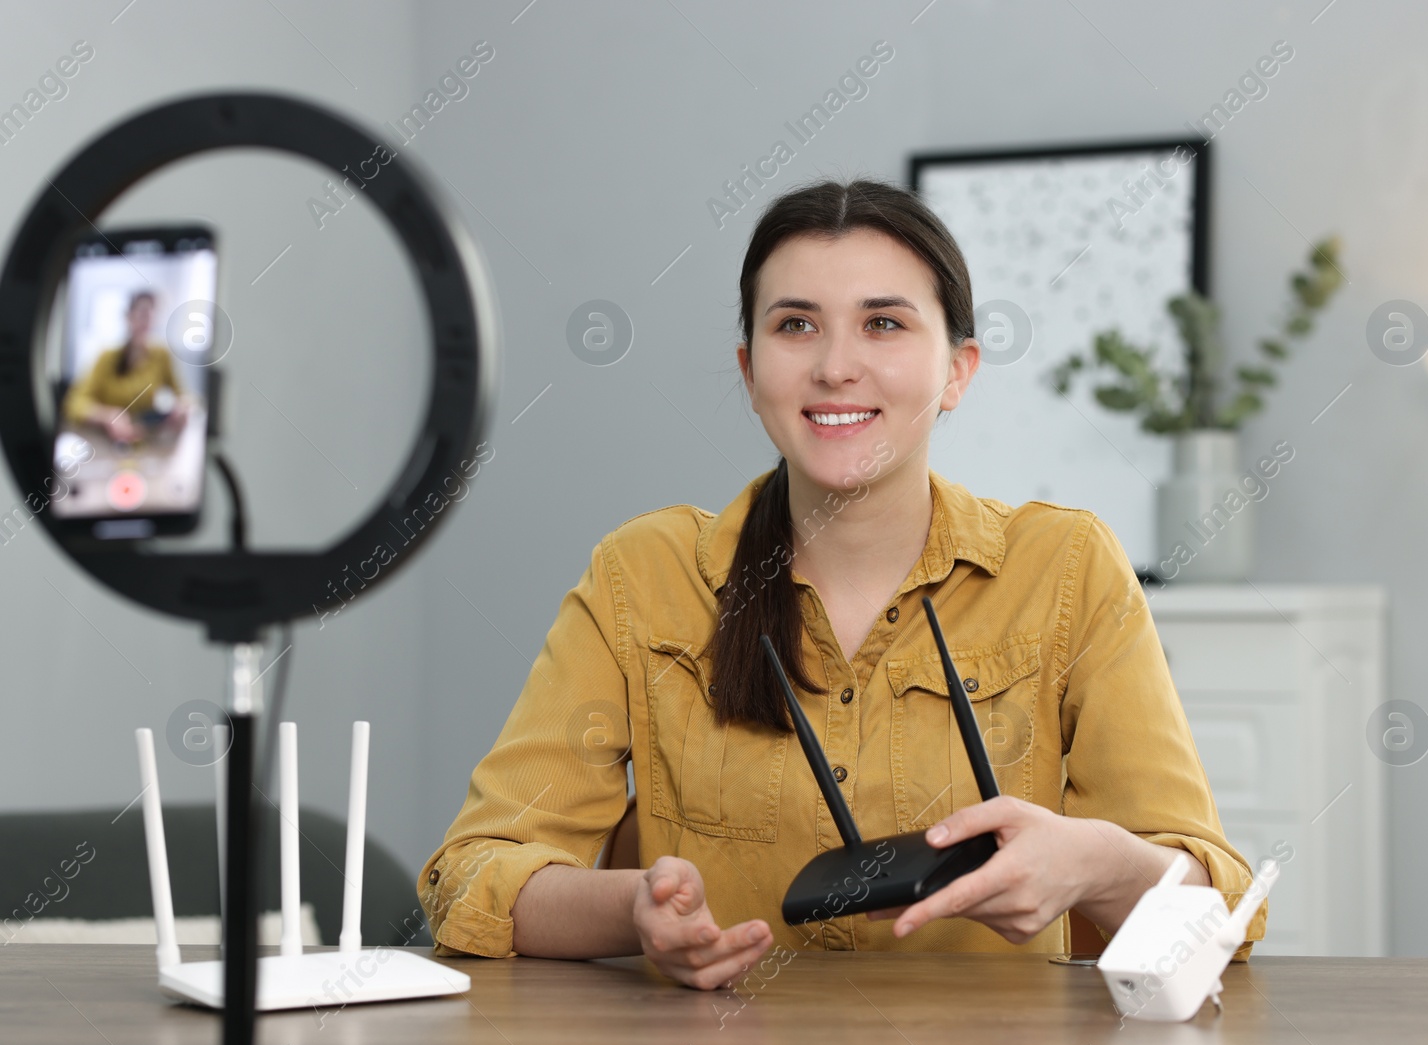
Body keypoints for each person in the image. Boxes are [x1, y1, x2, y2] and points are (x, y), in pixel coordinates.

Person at [419, 177, 1265, 990]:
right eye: (796, 325)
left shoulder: (1068, 568)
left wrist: (1099, 864)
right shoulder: (641, 577)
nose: (835, 366)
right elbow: (472, 876)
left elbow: (1216, 912)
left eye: (884, 324)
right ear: (750, 372)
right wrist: (631, 908)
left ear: (959, 369)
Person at [62, 290, 191, 444]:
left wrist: (180, 408)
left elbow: (182, 395)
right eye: (142, 313)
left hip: (150, 443)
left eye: (152, 314)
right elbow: (75, 403)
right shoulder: (107, 357)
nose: (147, 320)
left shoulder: (161, 355)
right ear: (128, 317)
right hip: (108, 445)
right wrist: (106, 416)